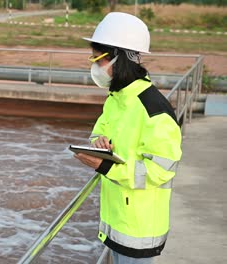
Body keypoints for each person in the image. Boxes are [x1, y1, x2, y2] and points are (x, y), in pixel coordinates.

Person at [74, 12, 182, 264]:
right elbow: (100, 129)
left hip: (139, 230)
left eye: (97, 58)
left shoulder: (153, 108)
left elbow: (161, 170)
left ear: (118, 58)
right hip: (117, 220)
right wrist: (98, 142)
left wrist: (104, 165)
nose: (94, 66)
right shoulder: (118, 98)